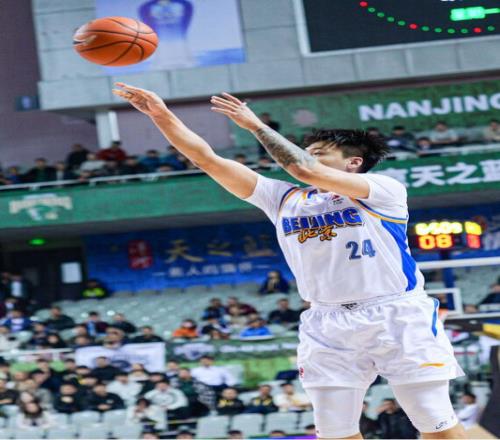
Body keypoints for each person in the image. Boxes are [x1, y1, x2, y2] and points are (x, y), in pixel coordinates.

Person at [114, 83, 467, 439]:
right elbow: (206, 159)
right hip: (326, 321)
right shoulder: (283, 198)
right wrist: (161, 115)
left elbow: (303, 168)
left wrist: (256, 126)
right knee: (335, 433)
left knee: (434, 424)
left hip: (395, 314)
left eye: (319, 153)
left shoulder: (382, 190)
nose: (306, 156)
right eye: (307, 151)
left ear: (353, 162)